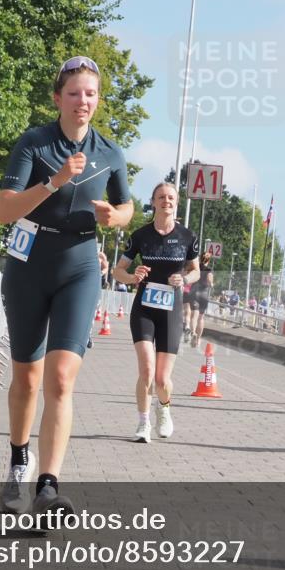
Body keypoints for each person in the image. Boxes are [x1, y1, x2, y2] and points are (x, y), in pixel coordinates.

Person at [0, 55, 133, 517]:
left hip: (79, 264)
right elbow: (5, 210)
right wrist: (54, 183)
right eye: (74, 93)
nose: (83, 101)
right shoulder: (34, 143)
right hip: (30, 262)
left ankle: (47, 488)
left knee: (60, 378)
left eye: (90, 93)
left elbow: (127, 208)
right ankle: (18, 461)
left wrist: (116, 217)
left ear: (98, 100)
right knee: (27, 377)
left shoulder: (110, 152)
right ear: (58, 98)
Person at [112, 182, 200, 443]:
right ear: (153, 202)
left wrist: (184, 279)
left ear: (176, 203)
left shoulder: (187, 237)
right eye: (161, 197)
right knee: (147, 370)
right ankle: (143, 423)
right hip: (144, 309)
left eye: (171, 197)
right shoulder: (141, 235)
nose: (166, 201)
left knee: (162, 379)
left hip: (171, 310)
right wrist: (132, 277)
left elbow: (196, 271)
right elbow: (118, 270)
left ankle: (164, 408)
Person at [188, 250, 215, 350]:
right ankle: (198, 339)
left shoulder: (195, 268)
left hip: (194, 292)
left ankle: (193, 332)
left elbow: (190, 277)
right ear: (209, 260)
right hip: (204, 294)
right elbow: (210, 282)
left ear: (200, 258)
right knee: (201, 318)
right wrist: (212, 284)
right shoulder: (209, 270)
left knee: (193, 316)